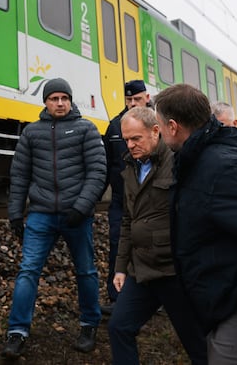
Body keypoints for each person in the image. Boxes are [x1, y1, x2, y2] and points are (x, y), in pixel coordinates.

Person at [153, 83, 237, 364]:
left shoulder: (219, 167)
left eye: (158, 126)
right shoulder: (203, 158)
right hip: (224, 302)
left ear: (172, 126)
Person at [3, 78, 107, 358]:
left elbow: (97, 172)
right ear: (45, 102)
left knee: (85, 271)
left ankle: (89, 325)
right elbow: (20, 175)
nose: (59, 103)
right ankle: (17, 332)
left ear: (71, 101)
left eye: (64, 98)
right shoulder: (31, 133)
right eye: (54, 98)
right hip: (41, 215)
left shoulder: (86, 129)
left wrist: (81, 208)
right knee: (28, 271)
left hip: (77, 216)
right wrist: (15, 213)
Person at [108, 106, 208, 364]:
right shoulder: (130, 167)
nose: (129, 145)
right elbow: (129, 220)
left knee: (197, 344)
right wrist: (120, 268)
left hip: (173, 272)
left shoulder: (178, 162)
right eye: (126, 139)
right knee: (119, 327)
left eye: (136, 138)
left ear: (155, 131)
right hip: (140, 271)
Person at [101, 79, 151, 314]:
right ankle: (116, 299)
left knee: (151, 247)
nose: (132, 103)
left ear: (147, 98)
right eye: (128, 99)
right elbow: (106, 165)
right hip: (122, 202)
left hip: (152, 202)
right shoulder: (114, 127)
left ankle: (152, 297)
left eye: (137, 99)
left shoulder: (158, 125)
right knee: (117, 246)